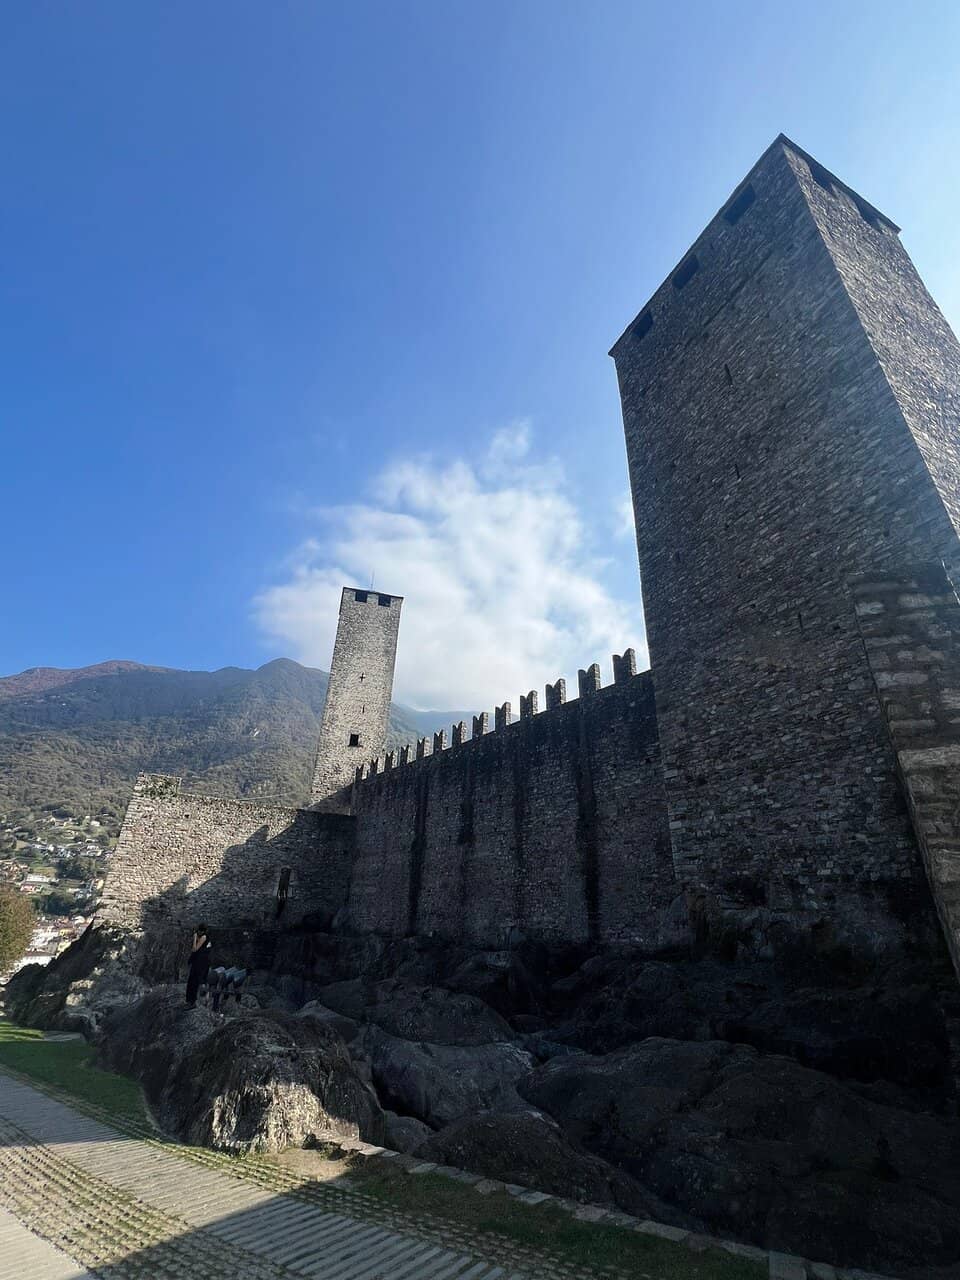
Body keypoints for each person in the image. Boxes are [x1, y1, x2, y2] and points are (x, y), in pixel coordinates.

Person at [185, 922, 211, 1008]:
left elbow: (195, 949)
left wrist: (195, 938)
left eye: (198, 931)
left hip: (200, 963)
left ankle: (192, 1002)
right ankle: (190, 1001)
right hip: (198, 962)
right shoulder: (203, 937)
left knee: (194, 982)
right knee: (191, 981)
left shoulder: (204, 937)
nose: (197, 933)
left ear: (201, 931)